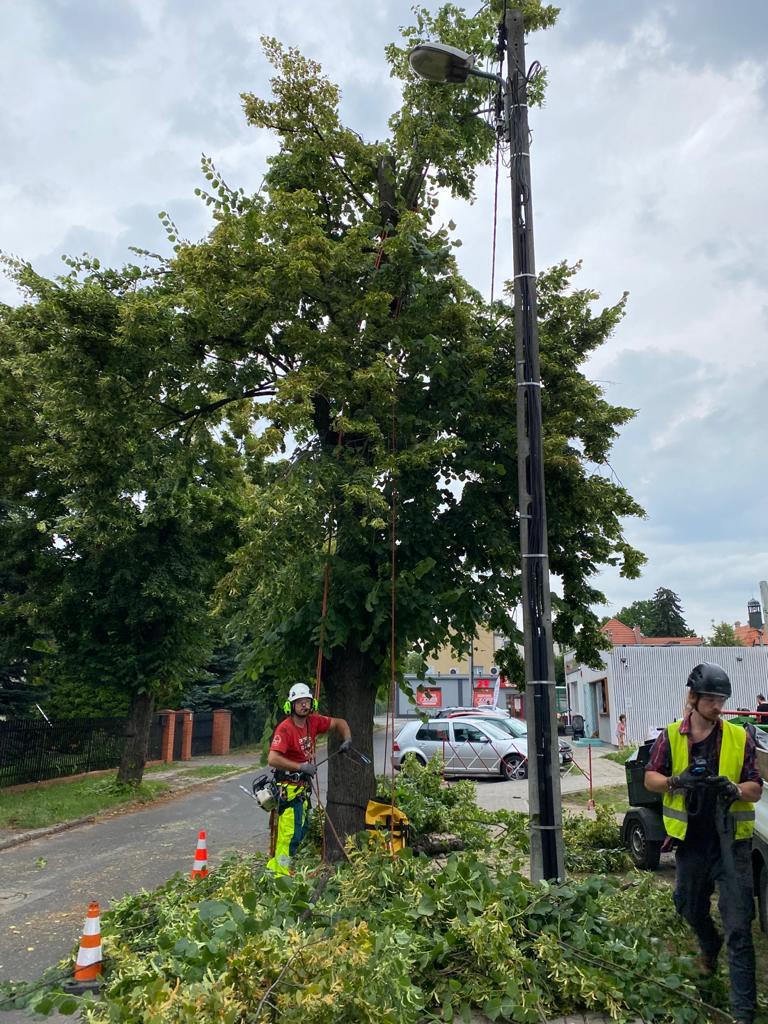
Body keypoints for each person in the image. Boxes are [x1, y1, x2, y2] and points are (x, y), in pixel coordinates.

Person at [644, 663, 763, 1024]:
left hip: (732, 845)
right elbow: (650, 778)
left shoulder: (740, 737)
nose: (718, 706)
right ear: (693, 699)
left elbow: (755, 788)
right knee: (688, 907)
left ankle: (744, 1011)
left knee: (740, 925)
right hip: (692, 844)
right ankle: (709, 944)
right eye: (711, 699)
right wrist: (676, 782)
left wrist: (734, 788)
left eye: (722, 699)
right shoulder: (670, 736)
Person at [266, 682, 351, 875]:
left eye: (307, 701)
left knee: (301, 829)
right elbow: (273, 758)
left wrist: (347, 739)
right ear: (291, 706)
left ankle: (278, 867)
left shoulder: (313, 722)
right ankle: (280, 873)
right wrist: (300, 766)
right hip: (287, 788)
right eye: (299, 702)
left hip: (302, 788)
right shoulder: (285, 729)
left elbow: (340, 723)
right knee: (289, 835)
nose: (304, 705)